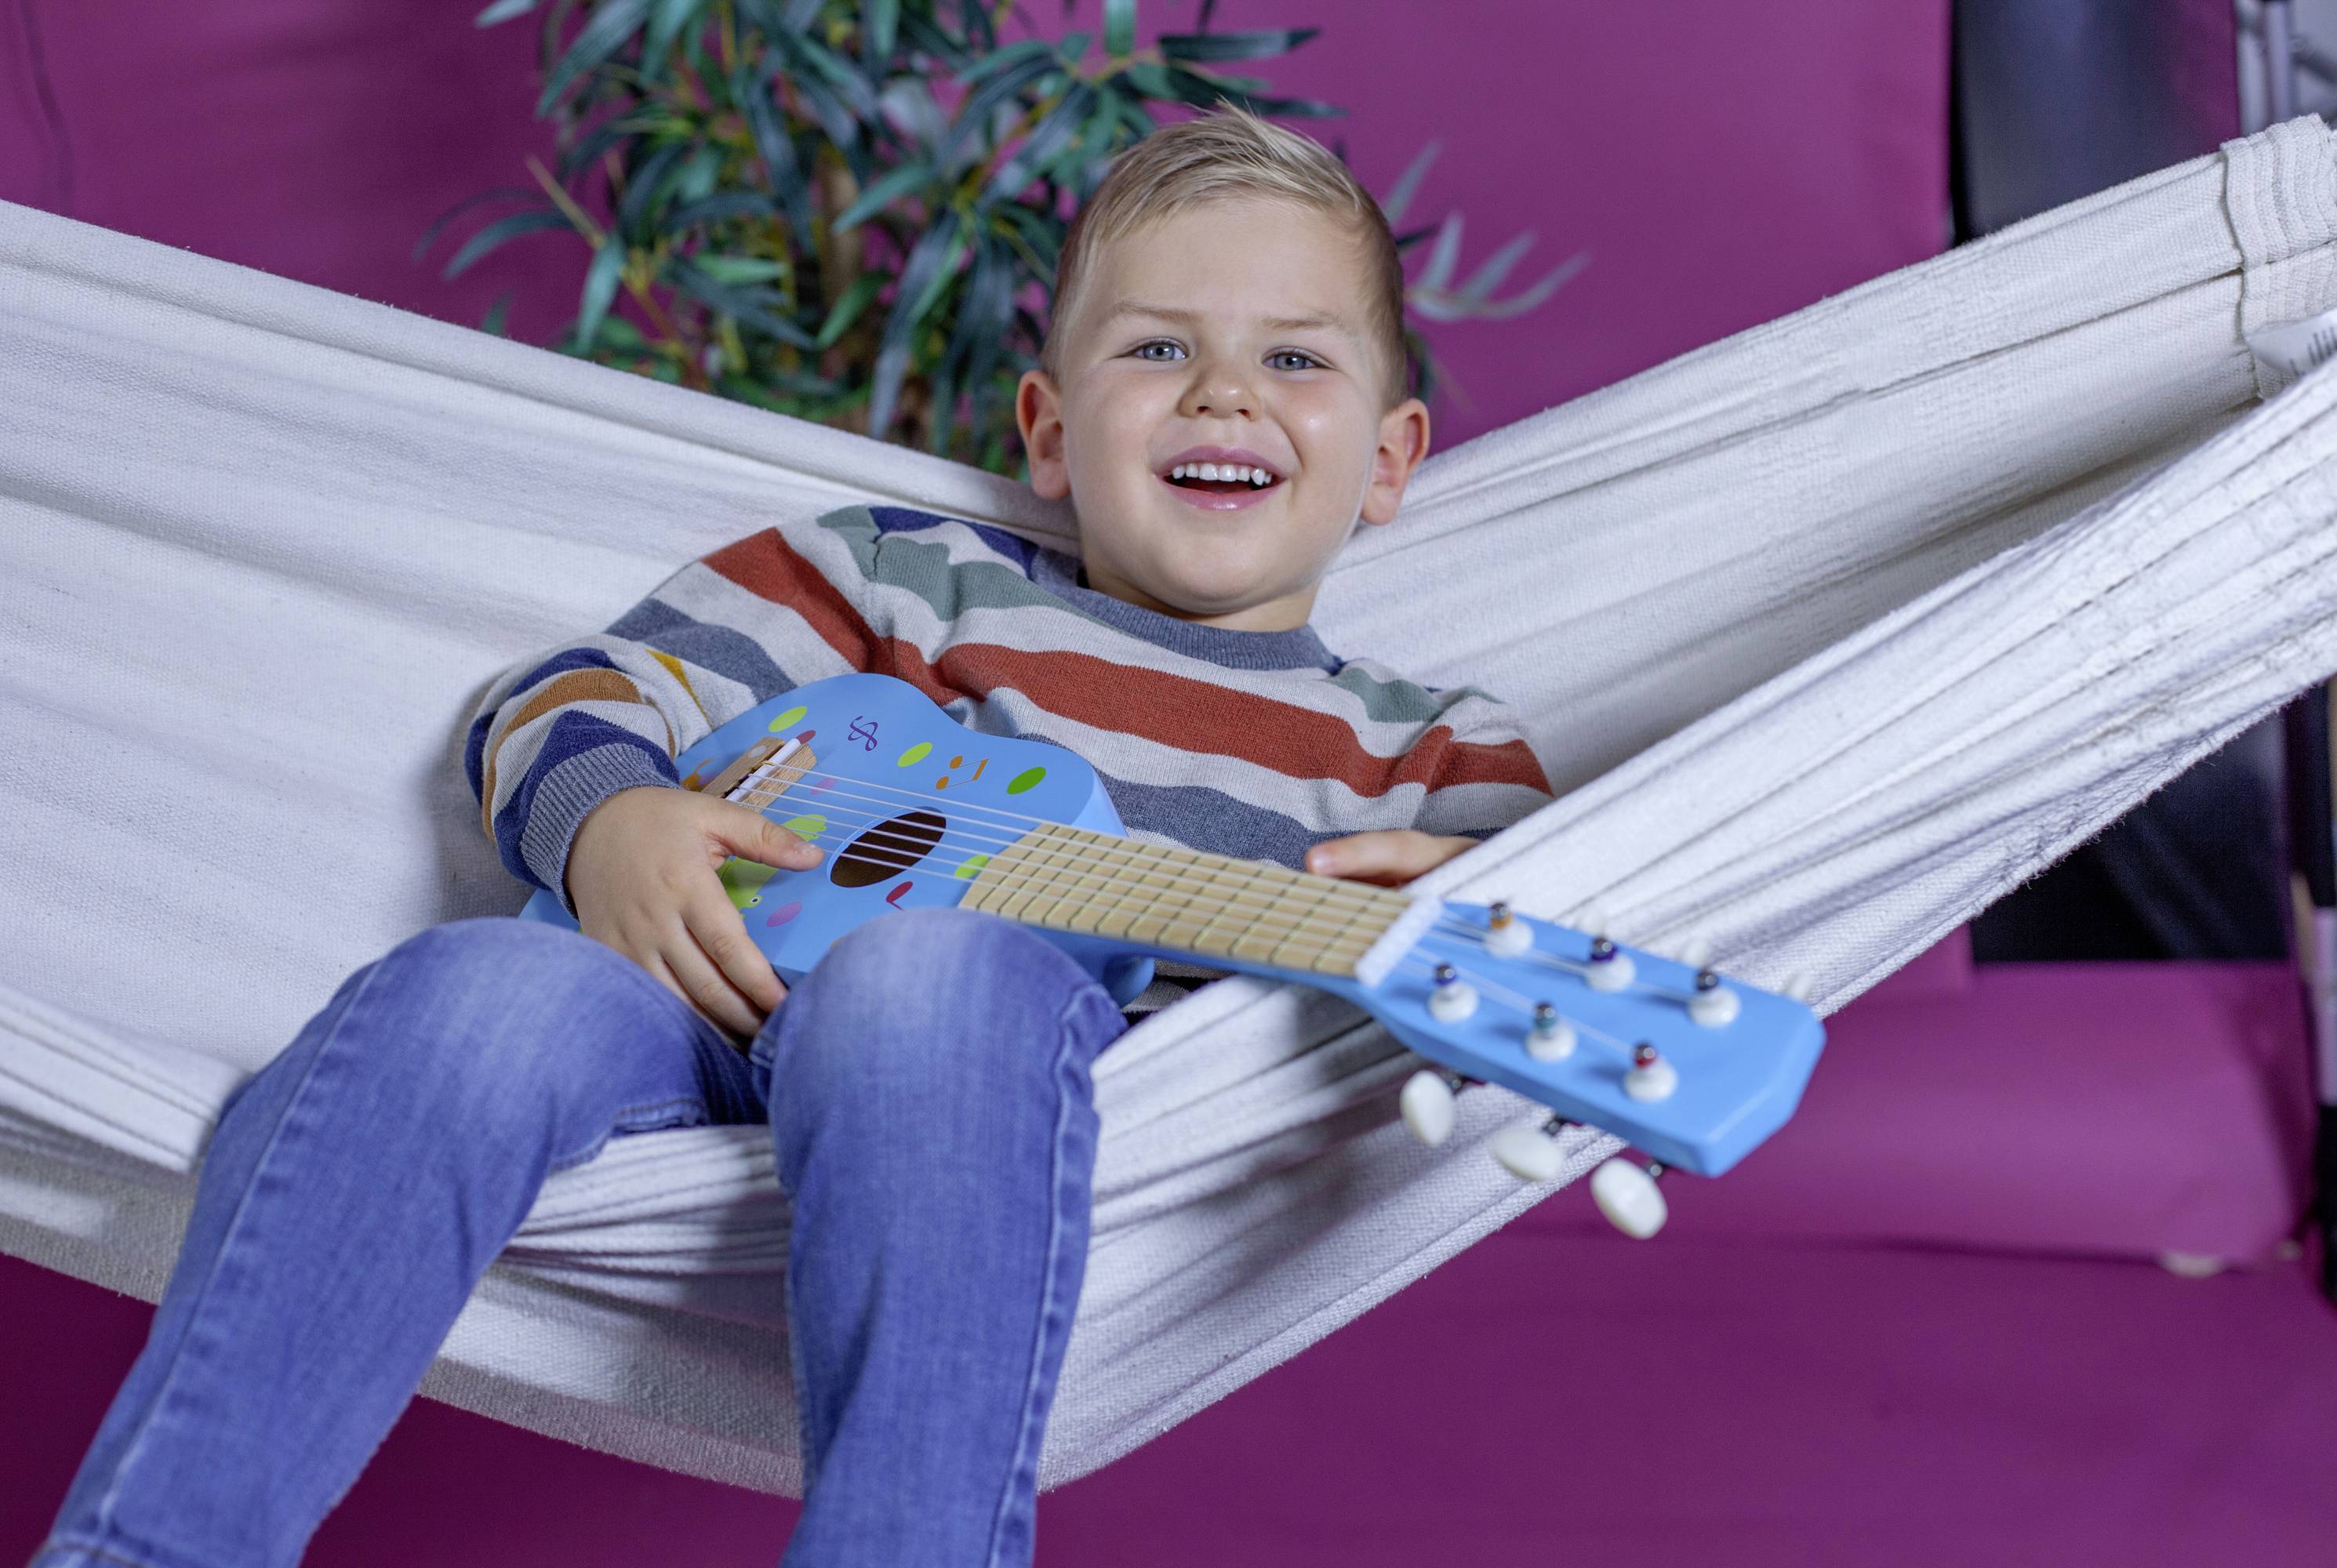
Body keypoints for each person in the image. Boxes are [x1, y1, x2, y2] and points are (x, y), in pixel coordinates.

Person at [27, 101, 1554, 1568]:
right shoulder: (905, 575)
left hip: (1019, 1100)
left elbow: (1568, 918)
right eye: (1157, 348)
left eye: (1293, 356)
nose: (1224, 392)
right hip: (693, 1003)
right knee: (464, 997)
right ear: (1047, 423)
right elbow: (571, 691)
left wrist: (1480, 897)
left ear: (1394, 455)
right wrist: (611, 821)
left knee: (922, 977)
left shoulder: (1419, 746)